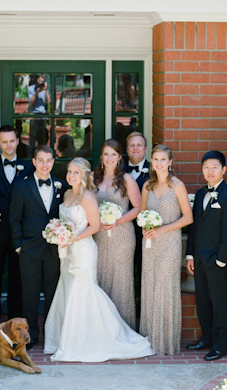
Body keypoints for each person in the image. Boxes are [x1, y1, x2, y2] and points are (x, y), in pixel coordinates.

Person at [44, 158, 154, 362]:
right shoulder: (67, 194)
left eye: (76, 172)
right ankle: (67, 337)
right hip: (67, 250)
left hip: (83, 249)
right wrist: (59, 234)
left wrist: (71, 237)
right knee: (68, 287)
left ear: (84, 174)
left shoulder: (87, 197)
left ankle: (90, 340)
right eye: (69, 172)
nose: (71, 176)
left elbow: (94, 226)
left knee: (83, 289)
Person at [186, 151, 227, 361]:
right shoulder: (200, 194)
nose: (210, 171)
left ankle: (220, 346)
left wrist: (221, 260)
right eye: (206, 167)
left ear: (224, 170)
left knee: (219, 303)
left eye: (215, 167)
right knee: (202, 300)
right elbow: (195, 228)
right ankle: (207, 338)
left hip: (217, 260)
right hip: (199, 259)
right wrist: (190, 255)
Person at [139, 144, 193, 355]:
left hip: (170, 243)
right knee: (150, 287)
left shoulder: (177, 186)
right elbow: (142, 214)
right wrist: (146, 228)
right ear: (151, 162)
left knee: (166, 288)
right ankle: (149, 338)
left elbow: (188, 217)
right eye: (156, 160)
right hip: (150, 244)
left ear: (170, 162)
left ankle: (166, 342)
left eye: (163, 160)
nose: (159, 163)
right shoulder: (147, 186)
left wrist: (162, 229)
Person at [10, 145, 65, 348]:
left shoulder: (61, 185)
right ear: (33, 162)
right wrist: (18, 245)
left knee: (53, 291)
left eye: (49, 160)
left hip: (53, 249)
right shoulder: (22, 186)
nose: (45, 164)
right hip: (29, 248)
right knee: (30, 294)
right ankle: (30, 334)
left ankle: (51, 334)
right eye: (40, 160)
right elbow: (14, 218)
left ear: (53, 162)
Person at [0, 125, 34, 323]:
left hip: (20, 234)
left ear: (18, 141)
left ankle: (15, 322)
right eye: (4, 141)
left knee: (17, 280)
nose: (9, 145)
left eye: (12, 141)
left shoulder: (29, 168)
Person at [93, 139, 141, 329]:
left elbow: (138, 207)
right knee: (100, 278)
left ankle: (123, 327)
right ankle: (102, 327)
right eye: (106, 154)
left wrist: (118, 220)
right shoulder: (93, 178)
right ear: (101, 157)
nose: (110, 158)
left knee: (121, 283)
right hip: (99, 237)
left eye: (114, 154)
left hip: (122, 236)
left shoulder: (126, 179)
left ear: (120, 157)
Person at [124, 132, 150, 315]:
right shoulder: (118, 171)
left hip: (147, 233)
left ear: (145, 149)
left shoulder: (156, 169)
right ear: (127, 149)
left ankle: (142, 315)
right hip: (123, 232)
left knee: (144, 274)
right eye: (132, 145)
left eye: (139, 145)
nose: (135, 148)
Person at [27, 75, 51, 151]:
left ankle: (42, 150)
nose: (40, 83)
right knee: (33, 135)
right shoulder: (31, 89)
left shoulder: (45, 89)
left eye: (42, 81)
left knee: (42, 136)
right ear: (36, 80)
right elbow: (31, 103)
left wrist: (46, 90)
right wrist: (37, 92)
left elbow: (48, 102)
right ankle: (31, 152)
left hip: (42, 115)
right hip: (34, 114)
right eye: (39, 81)